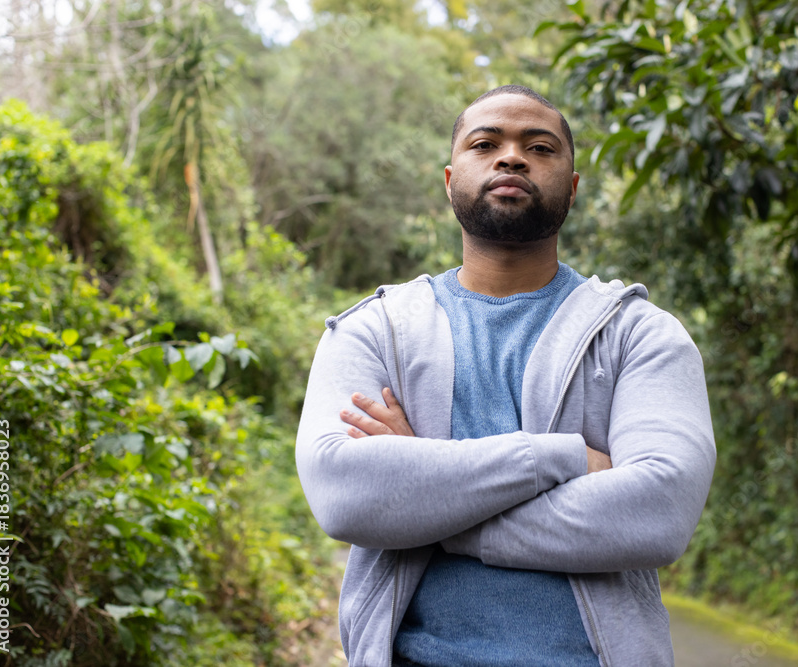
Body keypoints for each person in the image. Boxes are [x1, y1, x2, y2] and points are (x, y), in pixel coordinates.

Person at [295, 85, 717, 666]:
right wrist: (562, 457)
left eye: (539, 147)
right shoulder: (375, 329)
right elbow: (345, 497)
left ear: (572, 188)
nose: (512, 157)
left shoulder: (639, 335)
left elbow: (658, 514)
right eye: (485, 144)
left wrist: (425, 498)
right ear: (450, 181)